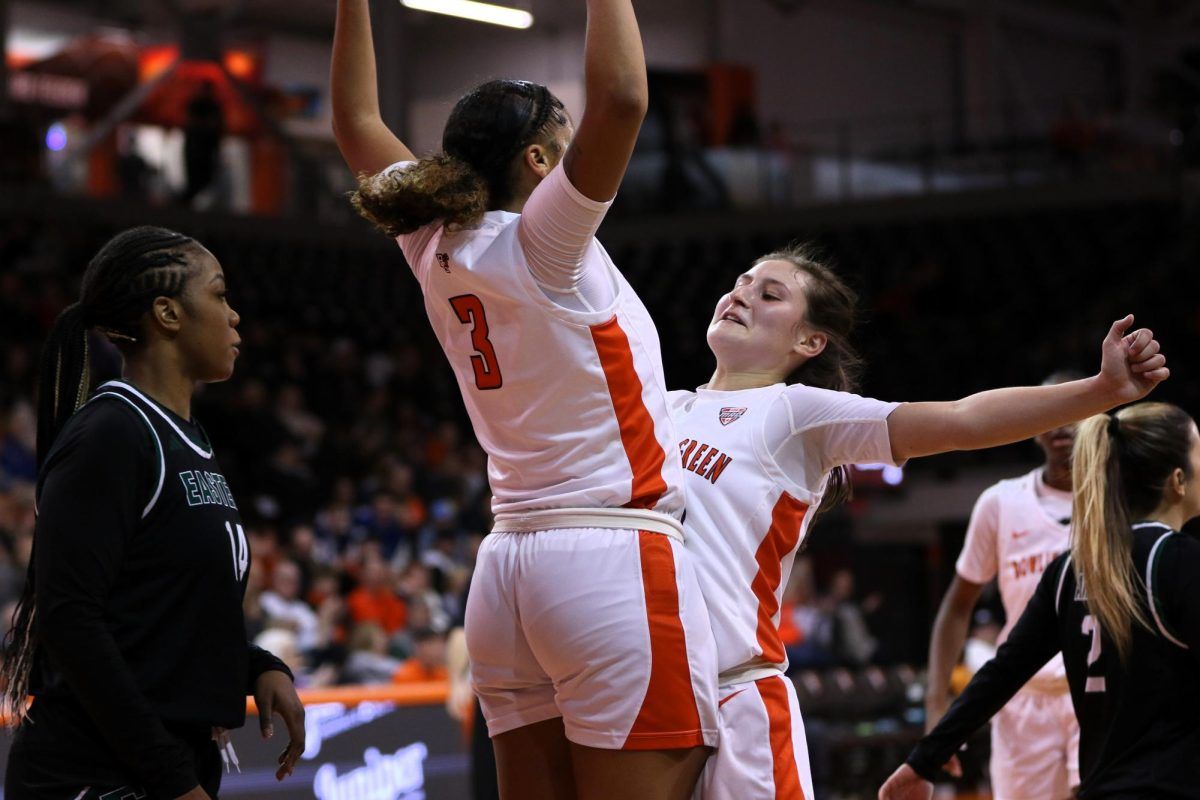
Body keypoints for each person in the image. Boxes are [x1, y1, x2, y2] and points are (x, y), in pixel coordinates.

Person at [331, 1, 717, 798]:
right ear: (541, 162)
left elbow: (355, 119)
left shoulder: (433, 243)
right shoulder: (546, 242)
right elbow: (625, 98)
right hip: (607, 559)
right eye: (570, 144)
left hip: (508, 573)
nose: (587, 154)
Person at [669, 244, 1168, 800]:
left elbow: (961, 419)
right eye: (740, 282)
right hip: (647, 683)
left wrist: (1101, 390)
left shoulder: (795, 410)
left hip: (732, 691)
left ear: (808, 342)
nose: (741, 294)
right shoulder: (658, 408)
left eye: (770, 293)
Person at [0, 227, 306, 799]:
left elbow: (157, 620)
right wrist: (171, 779)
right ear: (167, 313)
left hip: (154, 765)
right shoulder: (112, 433)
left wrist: (258, 665)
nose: (235, 316)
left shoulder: (184, 436)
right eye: (219, 295)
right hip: (92, 774)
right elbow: (71, 620)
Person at [881, 401, 1200, 800]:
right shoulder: (1180, 561)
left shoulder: (1070, 568)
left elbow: (1002, 673)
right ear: (1177, 480)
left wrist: (924, 759)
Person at [924, 371, 1085, 800]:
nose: (1062, 423)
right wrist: (937, 705)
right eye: (1051, 411)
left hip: (1096, 690)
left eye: (1073, 410)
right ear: (1034, 426)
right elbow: (957, 606)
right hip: (1022, 696)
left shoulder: (1119, 500)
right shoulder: (1000, 502)